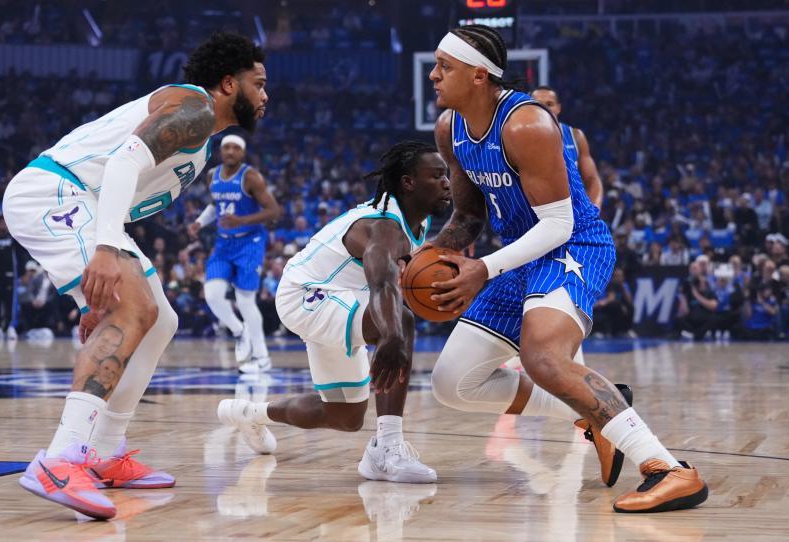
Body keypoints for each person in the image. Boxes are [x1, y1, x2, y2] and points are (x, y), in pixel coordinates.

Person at [426, 25, 707, 512]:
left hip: (573, 245)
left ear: (478, 75)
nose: (433, 75)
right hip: (521, 254)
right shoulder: (449, 128)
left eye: (444, 66)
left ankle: (670, 470)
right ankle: (596, 411)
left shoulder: (526, 124)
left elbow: (559, 224)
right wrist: (427, 254)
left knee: (544, 358)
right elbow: (469, 215)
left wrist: (483, 269)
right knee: (452, 382)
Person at [1, 32, 269, 519]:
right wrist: (106, 247)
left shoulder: (202, 143)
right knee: (134, 309)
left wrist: (97, 297)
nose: (265, 95)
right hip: (57, 192)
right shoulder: (195, 107)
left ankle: (104, 451)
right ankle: (61, 460)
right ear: (229, 84)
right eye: (259, 83)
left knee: (160, 320)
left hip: (86, 206)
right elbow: (124, 160)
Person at [217, 140, 450, 483]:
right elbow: (383, 285)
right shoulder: (383, 227)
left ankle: (250, 414)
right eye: (437, 175)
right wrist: (392, 336)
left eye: (447, 175)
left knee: (344, 415)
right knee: (399, 320)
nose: (447, 183)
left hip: (340, 300)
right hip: (306, 295)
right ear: (408, 182)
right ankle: (387, 449)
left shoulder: (417, 221)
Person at [189, 133, 282, 373]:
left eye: (235, 148)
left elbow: (274, 211)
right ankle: (240, 331)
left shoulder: (251, 177)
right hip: (223, 243)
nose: (230, 151)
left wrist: (242, 220)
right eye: (226, 147)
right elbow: (215, 205)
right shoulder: (212, 175)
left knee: (245, 301)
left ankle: (262, 358)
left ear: (242, 152)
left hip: (250, 242)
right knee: (212, 295)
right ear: (221, 151)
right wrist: (199, 222)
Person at [530, 86, 603, 209]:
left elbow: (592, 180)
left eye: (549, 104)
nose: (544, 108)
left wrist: (593, 212)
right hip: (532, 214)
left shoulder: (576, 136)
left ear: (558, 108)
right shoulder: (514, 137)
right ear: (529, 108)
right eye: (538, 104)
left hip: (571, 214)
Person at [0, 216, 21, 341]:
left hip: (10, 276)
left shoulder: (13, 239)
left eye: (5, 223)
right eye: (1, 223)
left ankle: (11, 327)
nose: (3, 225)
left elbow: (20, 255)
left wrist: (21, 272)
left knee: (11, 303)